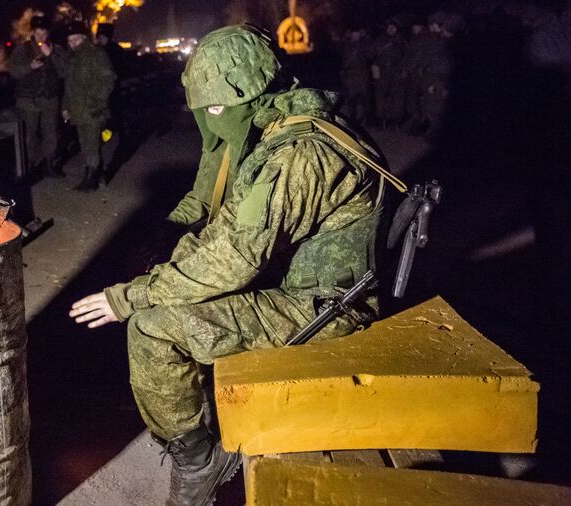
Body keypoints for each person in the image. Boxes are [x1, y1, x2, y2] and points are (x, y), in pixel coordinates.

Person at [69, 24, 392, 505]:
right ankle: (205, 418)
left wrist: (131, 296)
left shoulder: (299, 154)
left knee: (152, 328)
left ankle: (201, 459)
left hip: (322, 309)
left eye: (217, 109)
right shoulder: (284, 126)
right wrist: (168, 260)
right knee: (175, 288)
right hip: (303, 287)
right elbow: (226, 227)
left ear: (249, 95)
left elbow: (234, 259)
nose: (212, 121)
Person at [7, 15, 67, 178]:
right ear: (33, 32)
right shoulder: (22, 49)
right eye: (38, 34)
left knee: (51, 132)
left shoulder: (57, 49)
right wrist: (29, 67)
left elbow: (65, 71)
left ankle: (49, 165)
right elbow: (13, 71)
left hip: (50, 98)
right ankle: (30, 165)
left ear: (48, 34)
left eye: (44, 34)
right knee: (29, 134)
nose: (41, 37)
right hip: (28, 99)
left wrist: (52, 55)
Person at [61, 21, 116, 191]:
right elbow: (68, 86)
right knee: (85, 144)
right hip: (78, 109)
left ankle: (92, 179)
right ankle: (96, 176)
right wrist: (65, 107)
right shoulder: (72, 58)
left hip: (93, 109)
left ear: (83, 38)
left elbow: (108, 80)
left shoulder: (95, 53)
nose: (72, 44)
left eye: (76, 40)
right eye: (70, 41)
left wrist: (97, 102)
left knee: (91, 144)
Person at [371, 20, 407, 128]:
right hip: (382, 72)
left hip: (396, 72)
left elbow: (407, 56)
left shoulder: (401, 41)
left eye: (393, 27)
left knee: (397, 98)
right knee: (380, 98)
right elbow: (371, 54)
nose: (391, 29)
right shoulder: (380, 41)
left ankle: (396, 121)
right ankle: (381, 120)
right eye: (389, 27)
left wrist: (403, 70)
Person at [339, 28, 373, 125]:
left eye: (357, 34)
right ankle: (352, 118)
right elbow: (342, 59)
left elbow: (370, 56)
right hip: (350, 74)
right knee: (351, 98)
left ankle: (366, 118)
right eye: (353, 34)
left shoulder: (365, 45)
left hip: (362, 73)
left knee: (364, 97)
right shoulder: (346, 46)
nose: (355, 36)